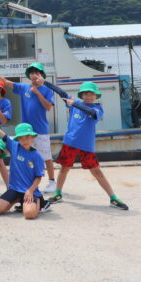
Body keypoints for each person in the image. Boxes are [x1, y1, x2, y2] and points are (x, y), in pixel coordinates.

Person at [45, 81, 129, 210]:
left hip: (86, 145)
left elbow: (91, 113)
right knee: (64, 169)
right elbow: (61, 92)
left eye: (91, 94)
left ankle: (113, 198)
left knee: (96, 172)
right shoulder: (74, 104)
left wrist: (75, 103)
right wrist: (44, 82)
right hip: (70, 142)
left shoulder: (97, 108)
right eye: (85, 94)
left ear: (96, 96)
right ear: (81, 95)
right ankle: (58, 194)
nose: (89, 96)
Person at [0, 63, 58, 194]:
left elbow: (48, 107)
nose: (34, 74)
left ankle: (52, 182)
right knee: (22, 156)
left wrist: (38, 93)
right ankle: (25, 182)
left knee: (46, 156)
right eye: (32, 72)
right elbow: (5, 82)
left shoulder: (47, 90)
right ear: (29, 75)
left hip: (40, 129)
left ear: (42, 75)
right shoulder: (24, 87)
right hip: (24, 131)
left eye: (37, 72)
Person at [0, 117, 52, 220]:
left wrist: (30, 191)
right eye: (21, 138)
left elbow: (38, 177)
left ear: (32, 137)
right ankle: (20, 202)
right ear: (18, 139)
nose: (25, 141)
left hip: (29, 190)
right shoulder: (13, 146)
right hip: (14, 189)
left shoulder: (37, 156)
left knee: (29, 214)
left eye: (28, 137)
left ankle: (41, 202)